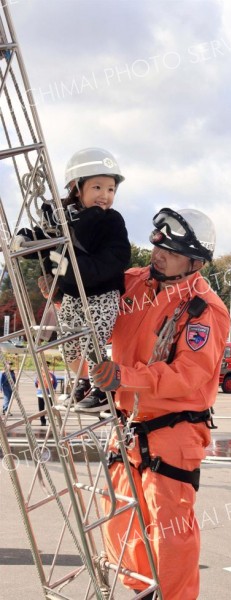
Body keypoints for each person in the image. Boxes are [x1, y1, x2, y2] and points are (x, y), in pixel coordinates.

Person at [90, 208, 230, 599]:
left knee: (169, 531)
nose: (158, 254)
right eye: (158, 244)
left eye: (170, 249)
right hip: (128, 426)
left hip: (173, 430)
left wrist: (124, 376)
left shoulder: (204, 309)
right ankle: (141, 592)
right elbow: (89, 294)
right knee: (120, 518)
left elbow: (188, 374)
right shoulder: (134, 284)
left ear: (195, 262)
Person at [14, 148, 131, 412]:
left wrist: (73, 268)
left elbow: (117, 257)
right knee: (68, 344)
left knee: (93, 340)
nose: (105, 195)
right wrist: (25, 240)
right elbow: (47, 238)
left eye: (111, 189)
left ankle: (102, 390)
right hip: (72, 295)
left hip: (101, 292)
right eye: (97, 187)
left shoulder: (111, 221)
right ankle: (82, 383)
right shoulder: (64, 217)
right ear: (77, 188)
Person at [35, 362, 57, 426]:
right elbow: (36, 383)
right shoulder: (39, 375)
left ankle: (51, 420)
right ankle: (42, 421)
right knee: (41, 409)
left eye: (47, 366)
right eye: (43, 366)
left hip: (49, 394)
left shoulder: (51, 375)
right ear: (41, 368)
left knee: (50, 408)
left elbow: (55, 383)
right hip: (40, 394)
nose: (45, 367)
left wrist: (52, 389)